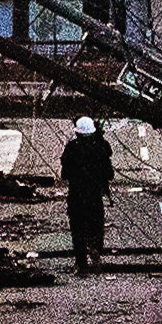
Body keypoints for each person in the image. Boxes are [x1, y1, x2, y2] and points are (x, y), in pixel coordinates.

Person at [58, 117, 115, 273]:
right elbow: (109, 174)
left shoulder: (72, 148)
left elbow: (65, 174)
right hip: (95, 195)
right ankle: (96, 248)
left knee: (78, 230)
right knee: (96, 226)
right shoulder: (100, 148)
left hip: (76, 196)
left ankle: (81, 263)